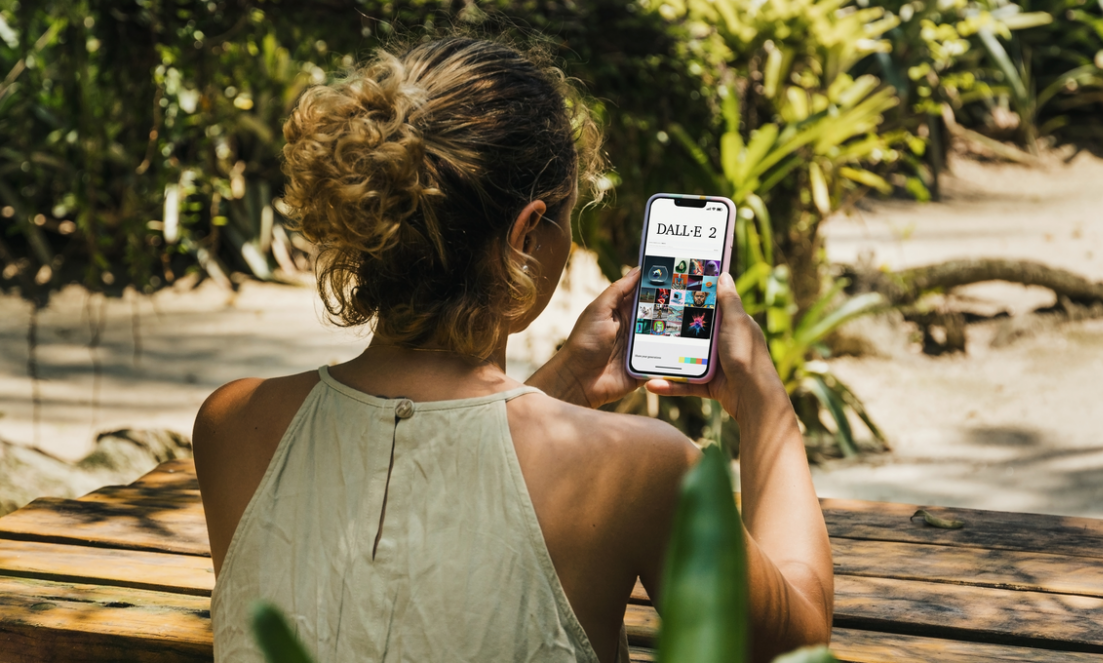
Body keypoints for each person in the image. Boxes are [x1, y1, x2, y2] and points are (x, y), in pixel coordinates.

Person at [194, 37, 833, 663]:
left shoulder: (234, 424)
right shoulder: (641, 469)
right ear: (526, 233)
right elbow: (796, 644)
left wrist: (566, 386)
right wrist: (763, 399)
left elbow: (419, 544)